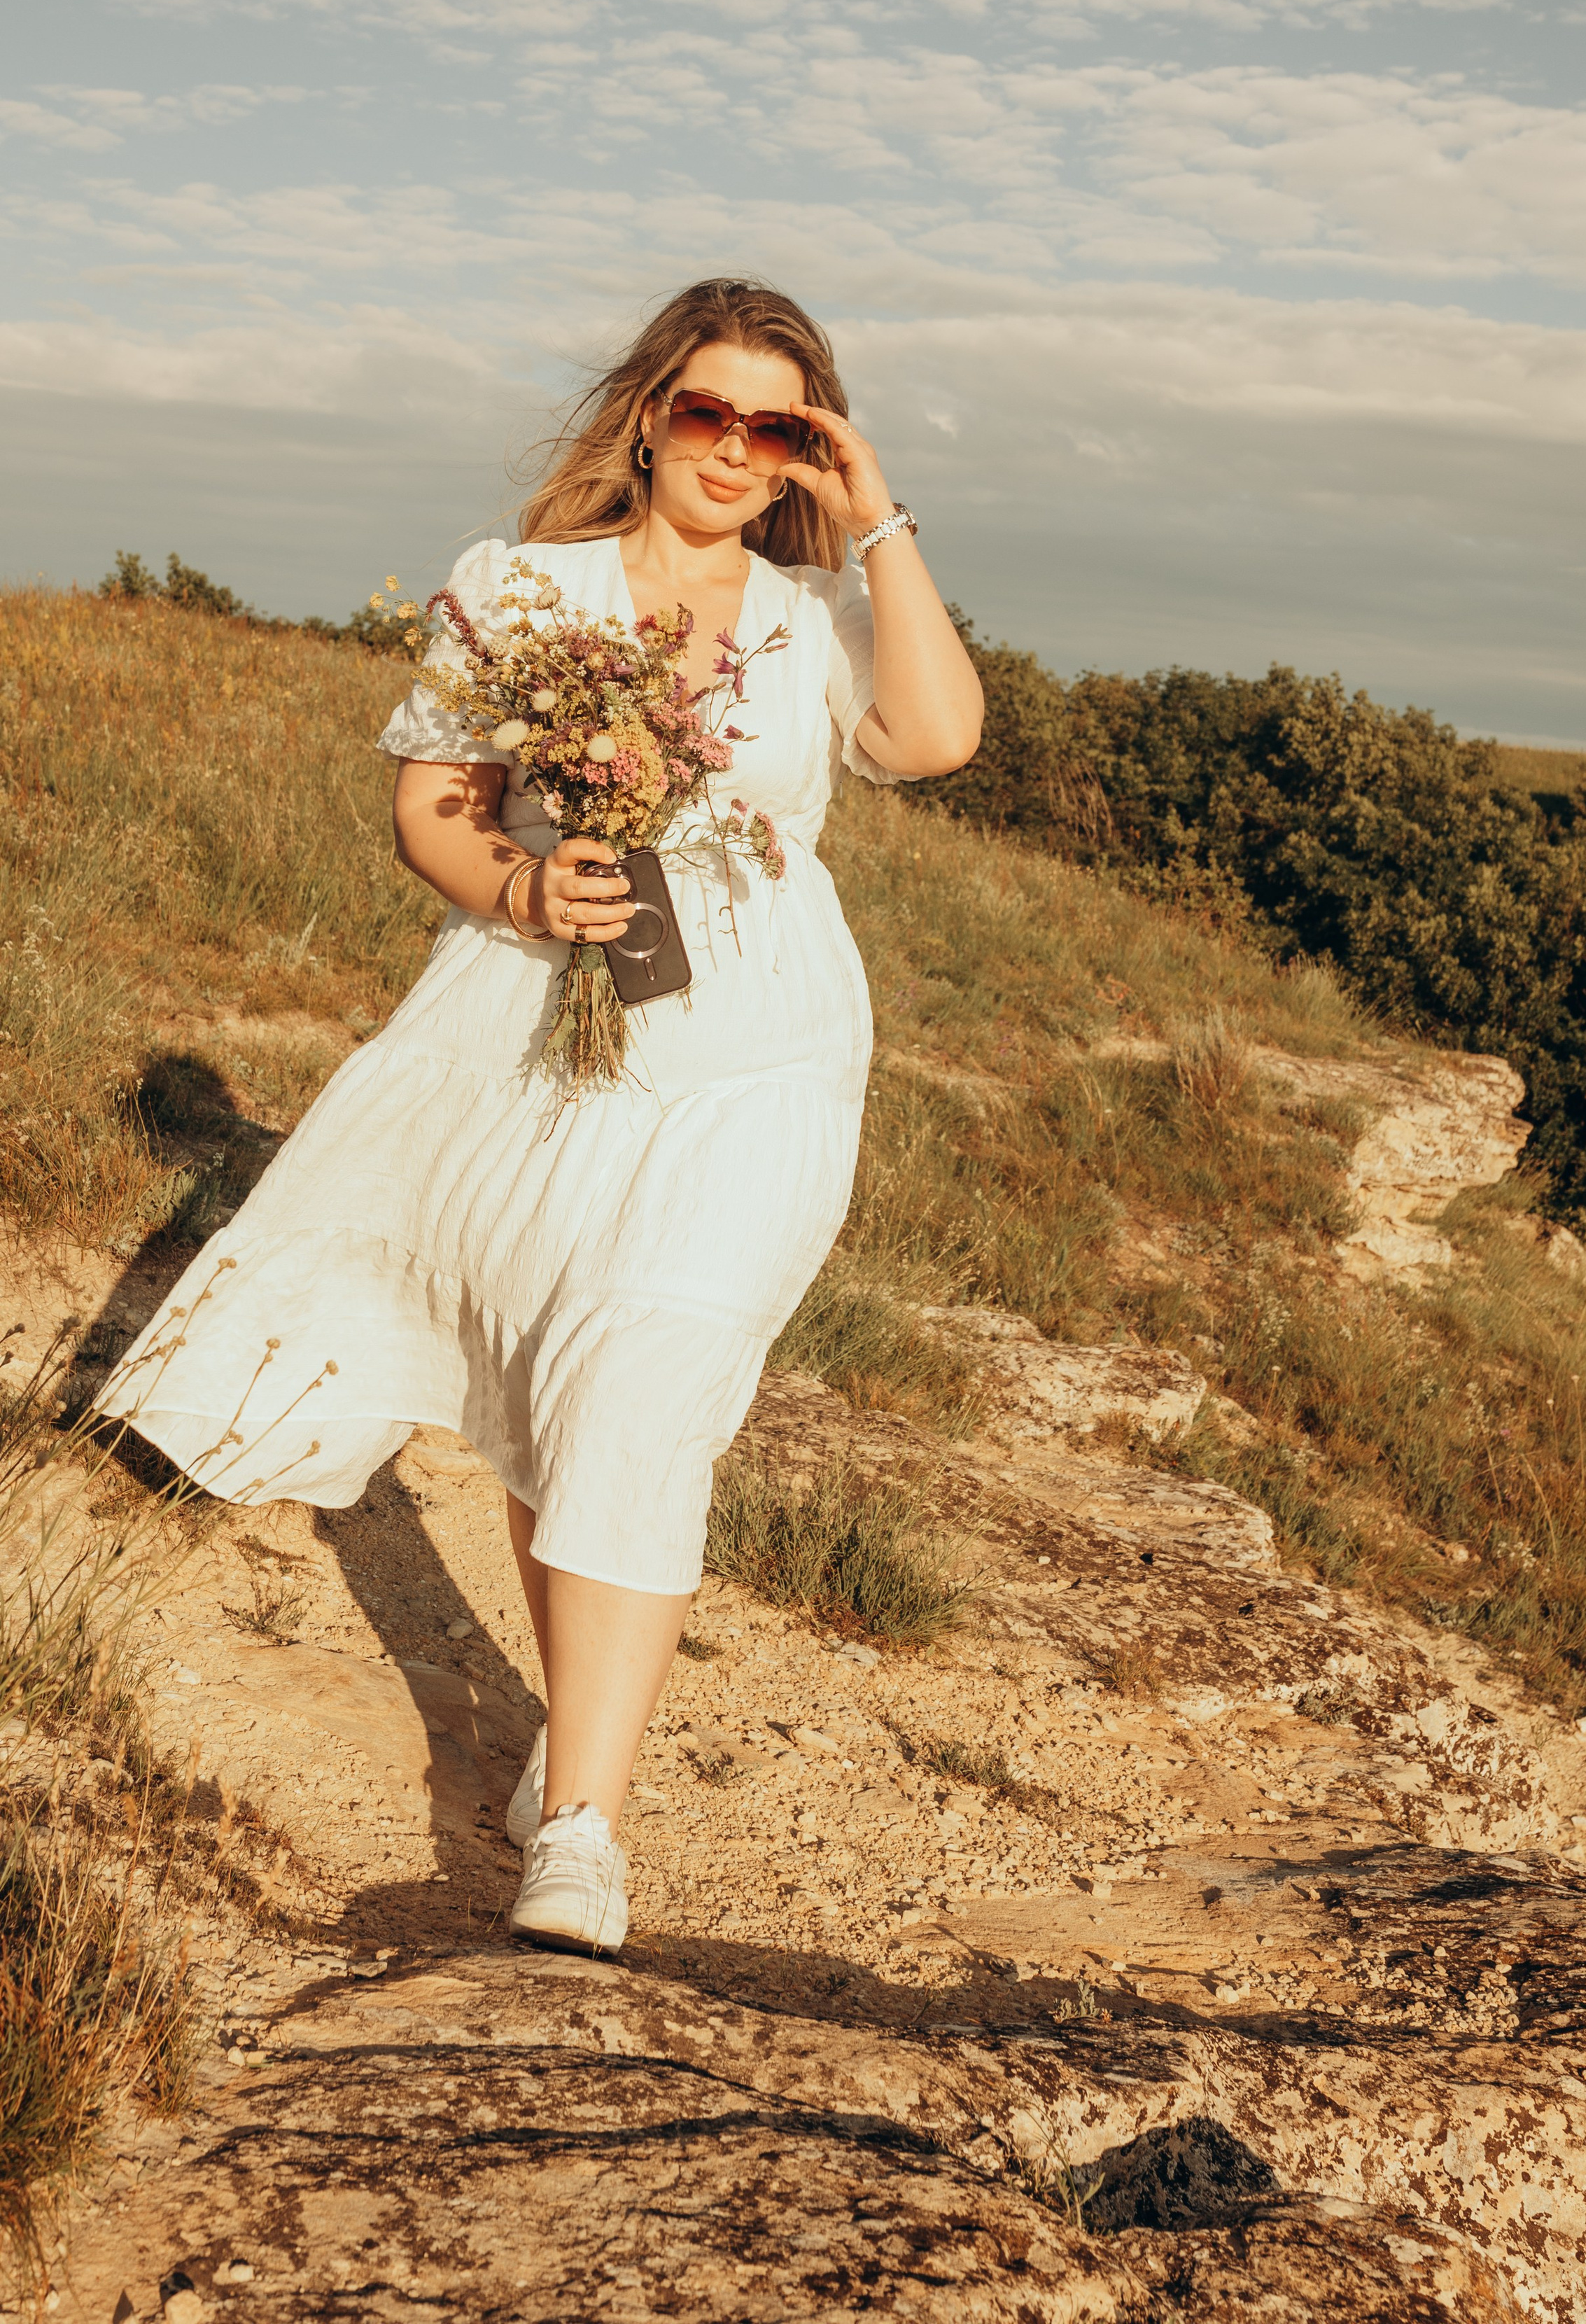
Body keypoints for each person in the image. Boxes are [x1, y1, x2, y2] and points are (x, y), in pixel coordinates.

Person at [98, 277, 983, 1954]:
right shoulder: (521, 589)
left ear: (810, 448)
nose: (736, 451)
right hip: (540, 1030)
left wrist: (881, 526)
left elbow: (931, 741)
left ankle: (580, 1823)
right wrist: (520, 888)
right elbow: (431, 806)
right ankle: (576, 1757)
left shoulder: (812, 614)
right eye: (708, 414)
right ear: (650, 414)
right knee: (560, 1378)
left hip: (765, 1057)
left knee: (646, 1378)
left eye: (777, 428)